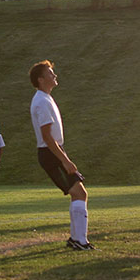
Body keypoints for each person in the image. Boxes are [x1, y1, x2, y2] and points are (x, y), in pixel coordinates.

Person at [29, 60, 94, 250]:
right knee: (79, 193)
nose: (54, 75)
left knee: (78, 194)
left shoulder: (45, 97)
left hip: (54, 151)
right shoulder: (41, 101)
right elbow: (47, 137)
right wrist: (65, 160)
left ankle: (76, 239)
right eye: (50, 73)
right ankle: (80, 242)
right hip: (50, 153)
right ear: (41, 80)